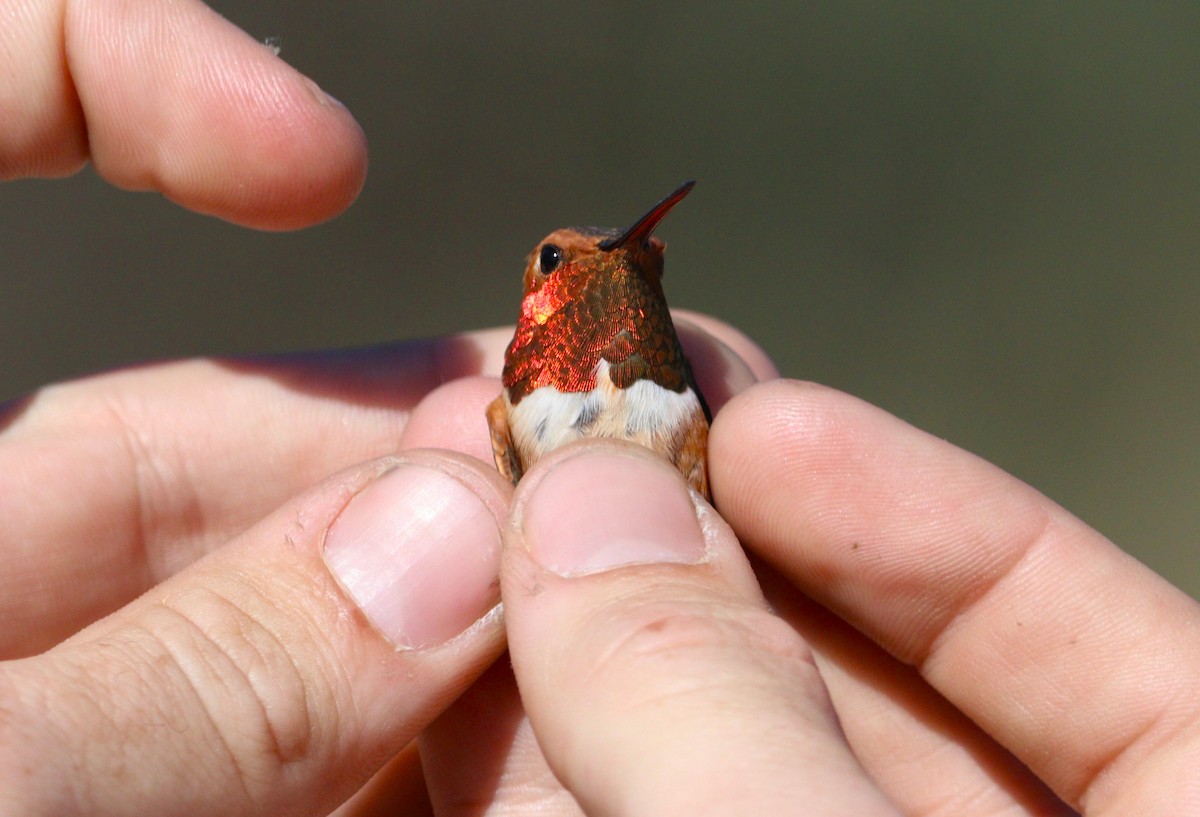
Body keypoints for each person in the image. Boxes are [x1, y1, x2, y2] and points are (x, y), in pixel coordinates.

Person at [2, 3, 1196, 815]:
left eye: (626, 263)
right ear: (536, 301)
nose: (603, 266)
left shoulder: (689, 395)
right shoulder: (503, 409)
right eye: (557, 261)